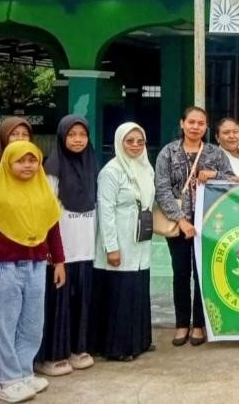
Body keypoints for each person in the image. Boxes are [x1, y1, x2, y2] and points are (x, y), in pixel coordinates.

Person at [0, 141, 65, 403]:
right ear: (8, 163)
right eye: (21, 161)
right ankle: (7, 379)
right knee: (5, 324)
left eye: (32, 160)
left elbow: (52, 229)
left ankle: (24, 372)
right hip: (5, 267)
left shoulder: (43, 192)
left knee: (33, 324)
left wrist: (59, 262)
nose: (27, 165)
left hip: (36, 266)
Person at [154, 106, 234, 348]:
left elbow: (232, 181)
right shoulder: (168, 153)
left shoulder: (215, 154)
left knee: (202, 275)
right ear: (182, 123)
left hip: (209, 224)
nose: (195, 127)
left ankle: (199, 323)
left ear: (206, 127)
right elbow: (162, 188)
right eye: (191, 122)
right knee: (180, 274)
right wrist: (180, 219)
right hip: (178, 226)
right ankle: (181, 323)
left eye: (200, 123)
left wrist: (214, 174)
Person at [36, 115, 99, 377]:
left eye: (82, 135)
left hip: (86, 247)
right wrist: (51, 249)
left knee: (81, 300)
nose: (77, 140)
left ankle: (77, 348)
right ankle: (52, 354)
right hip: (60, 250)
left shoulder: (92, 165)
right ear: (62, 136)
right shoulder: (51, 168)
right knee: (57, 303)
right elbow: (47, 211)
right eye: (72, 135)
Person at [93, 122, 155, 362]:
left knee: (138, 288)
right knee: (121, 292)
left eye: (140, 141)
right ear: (120, 142)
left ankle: (139, 340)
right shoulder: (111, 171)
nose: (136, 146)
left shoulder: (146, 168)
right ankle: (118, 347)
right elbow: (105, 211)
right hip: (119, 240)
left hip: (140, 240)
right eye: (130, 141)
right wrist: (112, 247)